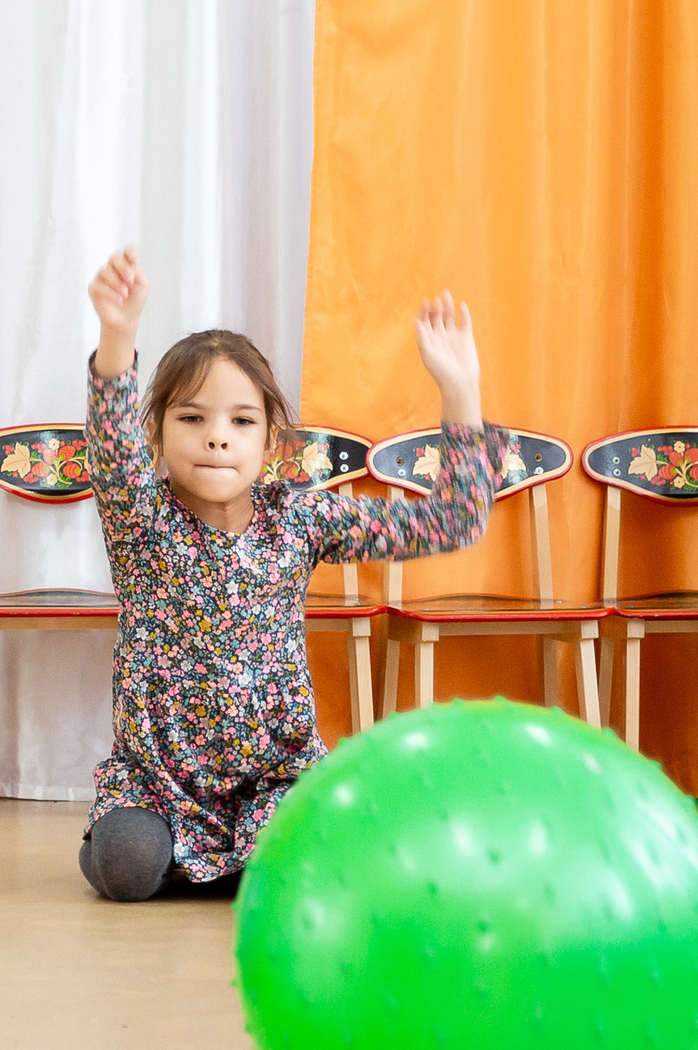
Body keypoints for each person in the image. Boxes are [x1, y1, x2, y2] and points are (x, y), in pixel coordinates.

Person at [77, 245, 502, 901]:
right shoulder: (142, 519)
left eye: (240, 421)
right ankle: (176, 853)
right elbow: (109, 447)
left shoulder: (297, 520)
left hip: (273, 782)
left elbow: (452, 522)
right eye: (192, 417)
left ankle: (262, 851)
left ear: (269, 443)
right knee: (128, 864)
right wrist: (117, 337)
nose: (218, 435)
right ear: (156, 437)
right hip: (157, 789)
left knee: (325, 853)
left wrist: (461, 391)